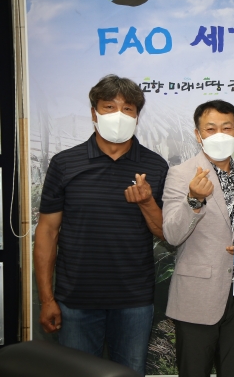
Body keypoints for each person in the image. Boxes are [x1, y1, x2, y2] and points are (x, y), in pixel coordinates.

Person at [34, 74, 169, 375]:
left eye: (128, 109)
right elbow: (47, 231)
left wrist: (146, 201)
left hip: (134, 299)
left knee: (130, 372)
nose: (118, 115)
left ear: (137, 116)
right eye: (109, 107)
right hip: (76, 300)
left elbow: (166, 233)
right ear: (94, 113)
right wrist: (46, 299)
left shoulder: (155, 165)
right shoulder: (65, 163)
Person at [162, 100, 234, 377]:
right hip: (197, 295)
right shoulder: (181, 174)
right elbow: (172, 234)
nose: (219, 135)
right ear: (198, 134)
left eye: (226, 128)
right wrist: (194, 199)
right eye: (211, 128)